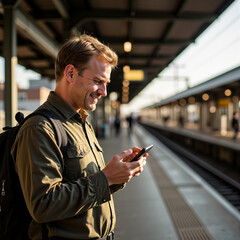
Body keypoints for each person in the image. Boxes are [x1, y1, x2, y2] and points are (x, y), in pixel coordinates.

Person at [11, 34, 147, 240]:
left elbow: (86, 184)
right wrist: (106, 177)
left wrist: (117, 176)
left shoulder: (81, 122)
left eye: (106, 83)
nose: (103, 91)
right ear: (71, 73)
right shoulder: (39, 128)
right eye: (98, 81)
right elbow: (43, 205)